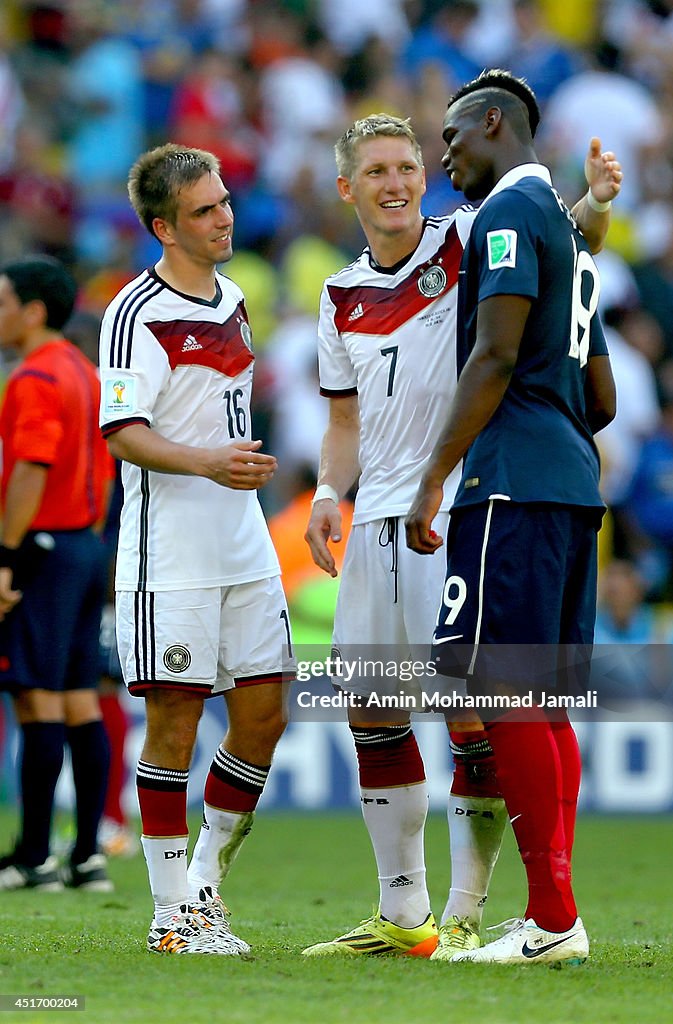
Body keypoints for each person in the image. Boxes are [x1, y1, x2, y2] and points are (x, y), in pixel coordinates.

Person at [304, 112, 620, 959]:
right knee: (372, 710)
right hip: (376, 519)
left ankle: (475, 908)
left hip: (458, 503)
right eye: (377, 170)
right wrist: (331, 490)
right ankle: (404, 917)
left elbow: (554, 240)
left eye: (409, 164)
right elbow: (343, 420)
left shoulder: (466, 235)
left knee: (479, 709)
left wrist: (593, 205)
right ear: (349, 188)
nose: (400, 180)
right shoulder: (336, 296)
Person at [406, 70, 617, 966]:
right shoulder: (569, 234)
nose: (442, 154)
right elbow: (600, 395)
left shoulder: (505, 217)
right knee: (543, 703)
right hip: (570, 479)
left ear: (494, 123)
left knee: (500, 692)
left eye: (451, 136)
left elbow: (492, 355)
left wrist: (432, 478)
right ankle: (556, 911)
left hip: (510, 486)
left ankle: (552, 921)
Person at [98, 144, 292, 955]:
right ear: (163, 227)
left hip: (243, 542)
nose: (224, 219)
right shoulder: (133, 312)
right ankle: (169, 915)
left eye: (224, 202)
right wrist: (211, 461)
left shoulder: (238, 297)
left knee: (265, 714)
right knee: (174, 725)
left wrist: (236, 461)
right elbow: (122, 433)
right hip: (168, 547)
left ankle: (205, 883)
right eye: (205, 211)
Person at [0, 255, 113, 893]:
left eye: (3, 302)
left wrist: (7, 556)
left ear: (34, 311)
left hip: (41, 549)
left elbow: (30, 468)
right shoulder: (86, 374)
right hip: (85, 548)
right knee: (78, 700)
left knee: (34, 697)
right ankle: (86, 856)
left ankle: (34, 856)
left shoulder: (33, 377)